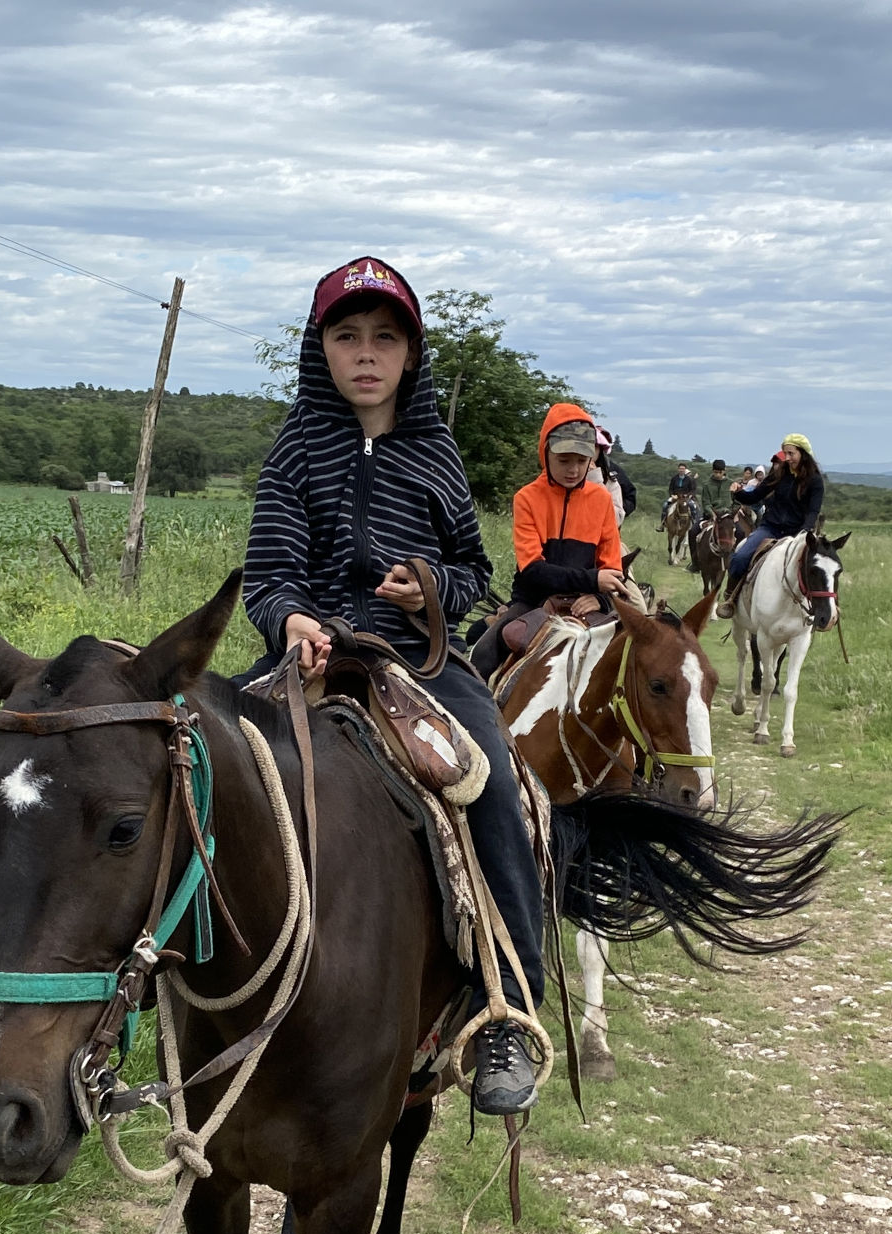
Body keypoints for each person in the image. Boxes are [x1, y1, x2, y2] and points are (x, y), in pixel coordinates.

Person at [244, 255, 546, 1116]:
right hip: (311, 653)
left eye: (385, 337)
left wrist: (430, 588)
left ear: (410, 353)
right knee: (197, 760)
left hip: (419, 660)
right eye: (348, 336)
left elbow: (472, 568)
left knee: (493, 782)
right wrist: (291, 620)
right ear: (323, 349)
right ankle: (159, 996)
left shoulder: (435, 450)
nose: (366, 353)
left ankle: (504, 1013)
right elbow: (268, 575)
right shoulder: (298, 445)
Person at [467, 402, 628, 679]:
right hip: (533, 600)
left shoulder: (602, 500)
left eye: (581, 461)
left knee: (634, 658)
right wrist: (593, 581)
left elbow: (611, 566)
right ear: (545, 453)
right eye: (564, 460)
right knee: (483, 655)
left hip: (586, 600)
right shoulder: (527, 498)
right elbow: (532, 570)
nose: (573, 470)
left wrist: (599, 596)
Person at [717, 432, 824, 618]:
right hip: (770, 528)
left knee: (818, 567)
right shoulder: (779, 474)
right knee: (740, 557)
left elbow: (813, 512)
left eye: (791, 454)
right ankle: (730, 599)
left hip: (796, 533)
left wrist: (804, 533)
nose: (787, 458)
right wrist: (738, 492)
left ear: (803, 454)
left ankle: (819, 610)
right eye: (786, 454)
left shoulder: (815, 481)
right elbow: (755, 496)